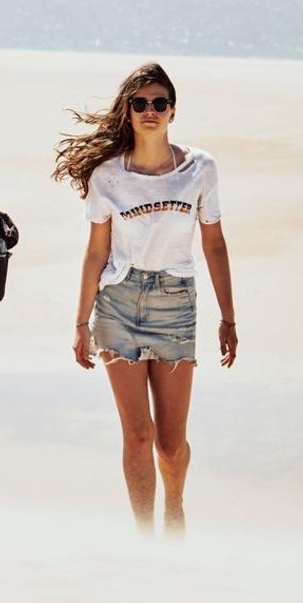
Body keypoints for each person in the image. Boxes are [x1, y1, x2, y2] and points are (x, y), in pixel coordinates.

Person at [54, 63, 237, 531]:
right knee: (138, 435)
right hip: (118, 301)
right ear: (128, 113)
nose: (150, 111)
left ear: (172, 111)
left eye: (159, 103)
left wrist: (228, 318)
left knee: (171, 443)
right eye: (140, 104)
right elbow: (97, 250)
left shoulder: (199, 168)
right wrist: (79, 323)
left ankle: (174, 508)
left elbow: (214, 243)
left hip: (176, 303)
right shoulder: (108, 176)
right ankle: (143, 536)